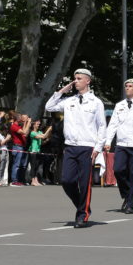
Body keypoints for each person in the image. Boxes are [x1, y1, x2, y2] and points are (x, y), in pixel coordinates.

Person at [45, 68, 106, 228]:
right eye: (75, 78)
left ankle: (82, 215)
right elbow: (49, 107)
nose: (75, 81)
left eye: (79, 78)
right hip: (71, 146)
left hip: (87, 146)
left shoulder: (96, 102)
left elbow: (101, 126)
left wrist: (98, 147)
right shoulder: (69, 101)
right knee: (66, 180)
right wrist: (62, 91)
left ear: (88, 81)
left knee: (84, 183)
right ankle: (82, 205)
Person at [103, 78, 133, 213]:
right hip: (121, 143)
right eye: (126, 86)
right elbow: (113, 125)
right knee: (118, 170)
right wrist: (107, 141)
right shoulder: (119, 105)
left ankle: (130, 204)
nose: (127, 88)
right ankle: (127, 194)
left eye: (130, 86)